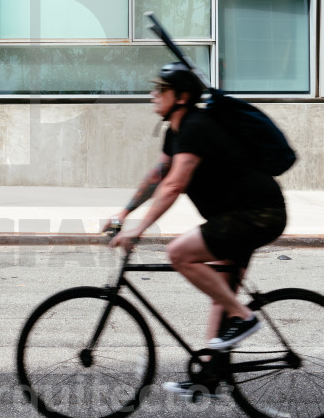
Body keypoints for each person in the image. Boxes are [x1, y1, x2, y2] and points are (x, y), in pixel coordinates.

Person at [106, 63, 287, 397]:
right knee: (222, 290)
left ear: (182, 97)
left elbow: (174, 185)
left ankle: (245, 318)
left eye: (160, 90)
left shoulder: (196, 127)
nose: (153, 95)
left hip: (257, 213)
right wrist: (124, 212)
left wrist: (138, 229)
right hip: (240, 215)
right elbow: (159, 174)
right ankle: (209, 374)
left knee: (179, 253)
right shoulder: (176, 130)